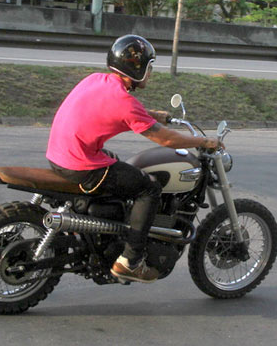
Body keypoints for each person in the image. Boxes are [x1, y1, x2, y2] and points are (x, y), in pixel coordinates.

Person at [46, 35, 223, 283]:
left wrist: (153, 115)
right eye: (149, 67)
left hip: (59, 155)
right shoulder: (123, 103)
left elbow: (122, 108)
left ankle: (107, 228)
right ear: (136, 68)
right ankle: (130, 260)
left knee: (117, 164)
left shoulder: (96, 80)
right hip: (80, 165)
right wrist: (204, 142)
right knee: (149, 187)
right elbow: (168, 140)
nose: (150, 73)